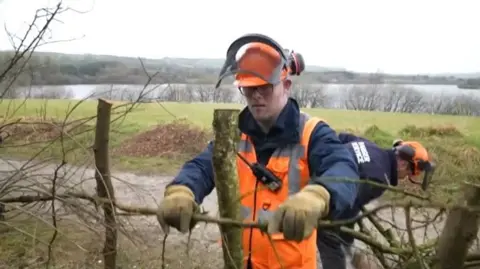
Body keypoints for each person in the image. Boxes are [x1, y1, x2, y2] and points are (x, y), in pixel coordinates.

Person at [156, 33, 360, 269]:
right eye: (249, 89)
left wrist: (318, 197)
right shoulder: (234, 134)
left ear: (286, 85)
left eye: (264, 87)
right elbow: (203, 166)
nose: (256, 95)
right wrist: (183, 190)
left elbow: (343, 169)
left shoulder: (312, 134)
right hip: (238, 262)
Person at [317, 132, 435, 269]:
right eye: (411, 173)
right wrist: (351, 247)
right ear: (403, 164)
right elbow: (346, 212)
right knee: (330, 234)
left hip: (315, 167)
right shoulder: (379, 178)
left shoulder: (370, 146)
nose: (406, 177)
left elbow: (343, 137)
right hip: (319, 187)